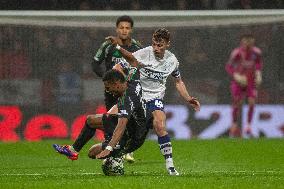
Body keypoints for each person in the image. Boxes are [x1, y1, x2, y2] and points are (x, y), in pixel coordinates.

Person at [106, 28, 201, 176]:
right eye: (154, 44)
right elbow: (119, 66)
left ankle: (170, 166)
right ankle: (111, 151)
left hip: (155, 98)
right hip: (137, 95)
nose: (156, 48)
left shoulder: (172, 61)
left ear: (167, 44)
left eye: (160, 45)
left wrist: (188, 98)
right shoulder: (143, 53)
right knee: (109, 118)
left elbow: (178, 81)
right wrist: (121, 84)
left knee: (160, 125)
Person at [53, 66, 151, 164]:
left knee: (92, 153)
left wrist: (109, 148)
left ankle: (117, 153)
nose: (107, 91)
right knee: (91, 120)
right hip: (134, 128)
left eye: (108, 87)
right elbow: (134, 63)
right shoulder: (133, 82)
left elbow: (121, 127)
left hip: (131, 137)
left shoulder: (126, 101)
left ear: (116, 84)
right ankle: (73, 150)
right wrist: (120, 52)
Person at [92, 15, 142, 162]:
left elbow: (142, 66)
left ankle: (128, 150)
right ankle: (111, 150)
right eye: (121, 27)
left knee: (129, 120)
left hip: (129, 90)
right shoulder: (107, 45)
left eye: (127, 28)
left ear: (131, 30)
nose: (124, 30)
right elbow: (95, 64)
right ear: (116, 29)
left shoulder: (137, 47)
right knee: (111, 120)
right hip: (112, 91)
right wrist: (106, 78)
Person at [225, 34, 263, 138]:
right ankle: (233, 126)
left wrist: (259, 74)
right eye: (246, 40)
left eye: (250, 40)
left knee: (251, 102)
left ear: (253, 40)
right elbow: (228, 66)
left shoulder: (256, 52)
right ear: (242, 41)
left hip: (251, 81)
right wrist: (236, 76)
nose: (248, 42)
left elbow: (258, 64)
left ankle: (248, 127)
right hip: (239, 81)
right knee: (237, 102)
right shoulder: (237, 53)